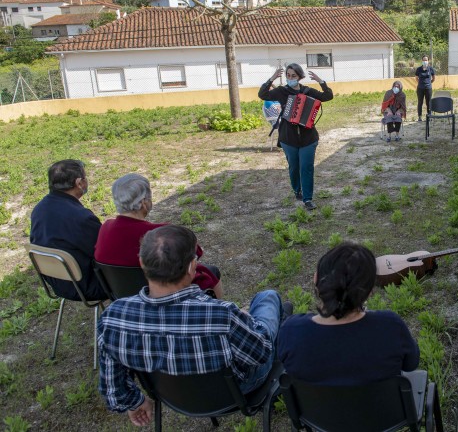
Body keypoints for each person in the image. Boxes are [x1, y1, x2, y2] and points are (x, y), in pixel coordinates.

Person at [98, 225, 284, 426]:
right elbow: (260, 354)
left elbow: (114, 388)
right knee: (268, 299)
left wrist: (135, 403)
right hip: (236, 393)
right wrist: (250, 324)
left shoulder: (113, 318)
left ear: (142, 263)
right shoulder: (221, 315)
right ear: (191, 267)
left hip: (170, 398)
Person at [278, 243, 419, 386]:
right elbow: (411, 364)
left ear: (316, 280)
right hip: (380, 407)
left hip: (317, 408)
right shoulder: (390, 326)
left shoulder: (292, 330)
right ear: (370, 291)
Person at [94, 173, 224, 299]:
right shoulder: (161, 234)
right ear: (144, 202)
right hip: (165, 293)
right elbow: (195, 252)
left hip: (122, 295)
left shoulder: (105, 228)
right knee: (210, 271)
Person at [259, 63, 333, 211]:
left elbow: (328, 96)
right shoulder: (281, 91)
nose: (290, 78)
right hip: (288, 138)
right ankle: (297, 190)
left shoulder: (307, 91)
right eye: (288, 75)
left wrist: (321, 81)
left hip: (308, 138)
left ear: (299, 77)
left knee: (306, 167)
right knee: (294, 167)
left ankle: (308, 198)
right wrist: (272, 78)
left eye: (294, 76)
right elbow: (263, 94)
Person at [30, 159, 106, 301]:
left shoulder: (39, 209)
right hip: (87, 285)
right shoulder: (81, 217)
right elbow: (104, 253)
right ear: (78, 183)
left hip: (57, 283)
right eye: (85, 178)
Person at [415, 55, 435, 122]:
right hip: (420, 88)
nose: (425, 61)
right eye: (423, 60)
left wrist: (428, 83)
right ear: (422, 61)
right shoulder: (418, 69)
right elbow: (416, 78)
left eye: (426, 60)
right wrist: (421, 83)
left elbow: (433, 78)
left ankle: (429, 116)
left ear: (428, 61)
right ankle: (419, 117)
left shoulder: (431, 69)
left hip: (428, 88)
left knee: (428, 102)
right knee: (420, 102)